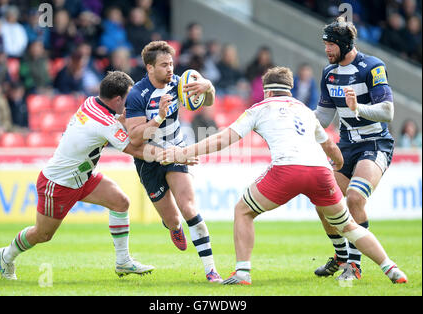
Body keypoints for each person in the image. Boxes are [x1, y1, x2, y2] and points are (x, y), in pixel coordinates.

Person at [159, 66, 407, 285]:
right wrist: (339, 164)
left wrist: (183, 153)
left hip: (287, 170)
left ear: (267, 91)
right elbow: (331, 148)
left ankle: (243, 273)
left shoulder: (259, 109)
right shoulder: (305, 110)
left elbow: (224, 139)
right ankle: (391, 268)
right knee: (348, 225)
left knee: (243, 211)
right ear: (290, 90)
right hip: (321, 171)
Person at [0, 71, 169, 280]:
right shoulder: (105, 123)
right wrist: (166, 137)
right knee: (43, 234)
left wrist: (122, 121)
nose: (131, 101)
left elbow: (111, 125)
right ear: (118, 99)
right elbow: (137, 149)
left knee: (120, 202)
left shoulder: (91, 103)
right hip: (59, 183)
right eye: (129, 97)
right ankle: (6, 255)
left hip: (84, 177)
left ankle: (123, 262)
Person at [124, 41, 223, 283]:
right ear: (149, 68)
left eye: (171, 64)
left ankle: (211, 270)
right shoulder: (138, 95)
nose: (170, 69)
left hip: (176, 150)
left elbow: (207, 102)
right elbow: (135, 137)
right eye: (164, 65)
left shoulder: (179, 83)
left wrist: (208, 87)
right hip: (148, 158)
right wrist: (158, 116)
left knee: (188, 207)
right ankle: (173, 227)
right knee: (173, 219)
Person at [314, 17, 396, 281]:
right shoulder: (329, 73)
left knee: (355, 198)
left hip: (375, 144)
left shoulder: (372, 67)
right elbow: (323, 118)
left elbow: (387, 111)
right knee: (323, 200)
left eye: (330, 45)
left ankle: (355, 266)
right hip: (345, 146)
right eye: (325, 44)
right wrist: (294, 120)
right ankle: (340, 257)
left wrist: (357, 109)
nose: (326, 49)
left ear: (344, 44)